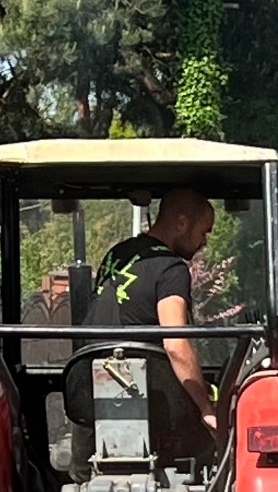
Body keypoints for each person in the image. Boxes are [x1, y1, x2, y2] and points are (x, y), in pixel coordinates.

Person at [91, 187, 218, 452]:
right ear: (182, 223)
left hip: (94, 391)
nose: (204, 242)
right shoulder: (171, 268)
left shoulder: (116, 254)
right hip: (150, 401)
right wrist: (206, 407)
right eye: (204, 231)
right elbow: (175, 343)